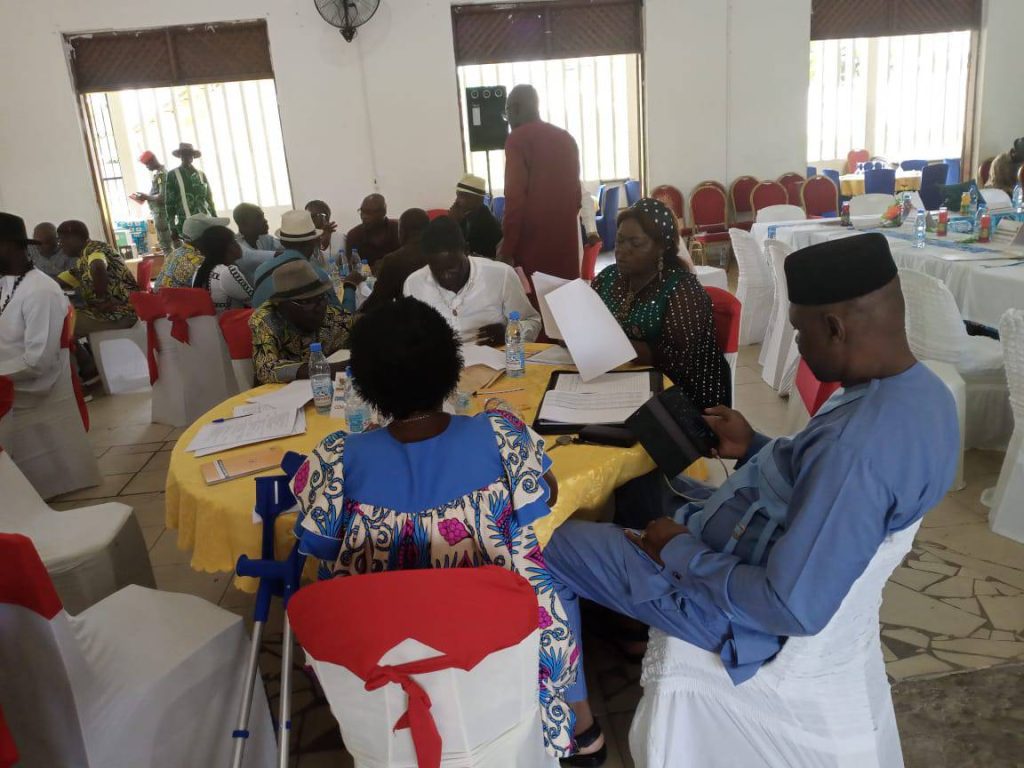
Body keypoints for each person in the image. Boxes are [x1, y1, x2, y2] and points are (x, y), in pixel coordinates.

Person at [541, 233, 959, 765]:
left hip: (735, 611)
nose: (797, 346)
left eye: (800, 331)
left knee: (544, 546)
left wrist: (678, 550)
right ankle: (624, 626)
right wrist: (755, 446)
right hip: (746, 532)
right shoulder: (923, 394)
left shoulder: (856, 452)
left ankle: (578, 731)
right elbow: (822, 485)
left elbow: (789, 606)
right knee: (638, 485)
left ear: (835, 326)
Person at [288, 296, 577, 759]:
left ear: (361, 382)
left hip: (383, 664)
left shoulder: (335, 459)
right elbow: (548, 493)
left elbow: (318, 543)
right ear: (453, 367)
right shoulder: (502, 435)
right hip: (500, 659)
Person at [593, 198, 730, 409]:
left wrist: (618, 345)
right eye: (619, 240)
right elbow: (588, 319)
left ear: (661, 247)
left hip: (680, 397)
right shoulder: (608, 277)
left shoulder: (682, 289)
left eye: (635, 243)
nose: (621, 250)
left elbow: (679, 361)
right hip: (619, 381)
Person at [0, 213, 96, 498]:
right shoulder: (8, 283)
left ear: (10, 246)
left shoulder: (40, 291)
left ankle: (11, 496)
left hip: (30, 384)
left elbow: (38, 362)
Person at [403, 216, 540, 345]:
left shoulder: (501, 275)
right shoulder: (413, 285)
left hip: (494, 358)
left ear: (466, 250)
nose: (446, 276)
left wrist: (509, 333)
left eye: (452, 269)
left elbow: (532, 321)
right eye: (437, 270)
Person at [501, 84, 582, 281]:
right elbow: (577, 197)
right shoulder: (566, 138)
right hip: (566, 245)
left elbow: (515, 200)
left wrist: (507, 249)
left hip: (533, 248)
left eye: (506, 113)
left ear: (515, 108)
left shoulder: (517, 139)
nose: (508, 119)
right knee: (564, 297)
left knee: (532, 299)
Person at [249, 260, 351, 384]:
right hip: (282, 393)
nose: (319, 307)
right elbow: (265, 369)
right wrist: (324, 369)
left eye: (321, 297)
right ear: (282, 305)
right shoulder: (266, 320)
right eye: (306, 302)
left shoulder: (336, 317)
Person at [251, 210, 352, 310]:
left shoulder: (261, 269)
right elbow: (343, 315)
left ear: (281, 242)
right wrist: (350, 285)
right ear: (314, 240)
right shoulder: (315, 275)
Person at [56, 221, 138, 338]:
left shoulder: (94, 249)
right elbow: (58, 281)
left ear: (73, 238)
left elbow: (98, 267)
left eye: (61, 240)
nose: (60, 245)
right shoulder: (83, 261)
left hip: (122, 313)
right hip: (115, 313)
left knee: (61, 324)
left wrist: (101, 300)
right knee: (64, 320)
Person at [359, 208, 430, 313]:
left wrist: (357, 313)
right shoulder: (446, 250)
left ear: (402, 231)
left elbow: (378, 302)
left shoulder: (395, 260)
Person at [153, 213, 230, 291]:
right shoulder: (199, 263)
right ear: (204, 239)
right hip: (180, 299)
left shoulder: (175, 253)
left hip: (161, 298)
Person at [191, 225, 253, 312]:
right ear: (229, 247)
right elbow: (256, 302)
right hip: (231, 320)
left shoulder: (199, 270)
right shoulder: (227, 272)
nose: (238, 245)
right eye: (235, 241)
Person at [164, 142, 217, 241]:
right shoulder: (173, 175)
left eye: (189, 154)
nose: (187, 156)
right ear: (180, 156)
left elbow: (209, 199)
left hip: (205, 222)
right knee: (192, 249)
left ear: (193, 156)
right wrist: (172, 227)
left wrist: (215, 218)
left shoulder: (201, 174)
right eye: (184, 154)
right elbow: (169, 203)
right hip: (185, 224)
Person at [448, 173, 502, 259]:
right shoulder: (467, 215)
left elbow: (459, 251)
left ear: (478, 199)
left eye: (462, 196)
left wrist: (453, 223)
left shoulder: (484, 222)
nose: (457, 201)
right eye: (457, 195)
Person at [344, 194, 400, 272]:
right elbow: (352, 269)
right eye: (362, 211)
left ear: (383, 212)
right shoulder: (354, 235)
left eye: (369, 212)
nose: (364, 216)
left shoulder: (398, 229)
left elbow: (409, 258)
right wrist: (373, 269)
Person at [233, 203, 282, 284]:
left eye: (263, 216)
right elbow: (252, 256)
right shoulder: (237, 248)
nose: (265, 220)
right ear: (243, 224)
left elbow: (285, 246)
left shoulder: (264, 238)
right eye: (259, 217)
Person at [134, 151, 173, 254]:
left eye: (147, 164)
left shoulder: (162, 175)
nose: (147, 167)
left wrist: (146, 197)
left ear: (153, 160)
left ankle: (171, 265)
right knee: (167, 247)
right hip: (160, 215)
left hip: (162, 215)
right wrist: (145, 197)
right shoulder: (159, 174)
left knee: (167, 248)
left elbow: (162, 197)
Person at [305, 199, 343, 269]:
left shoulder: (341, 238)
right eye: (306, 216)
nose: (308, 220)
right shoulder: (303, 239)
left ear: (325, 217)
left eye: (312, 216)